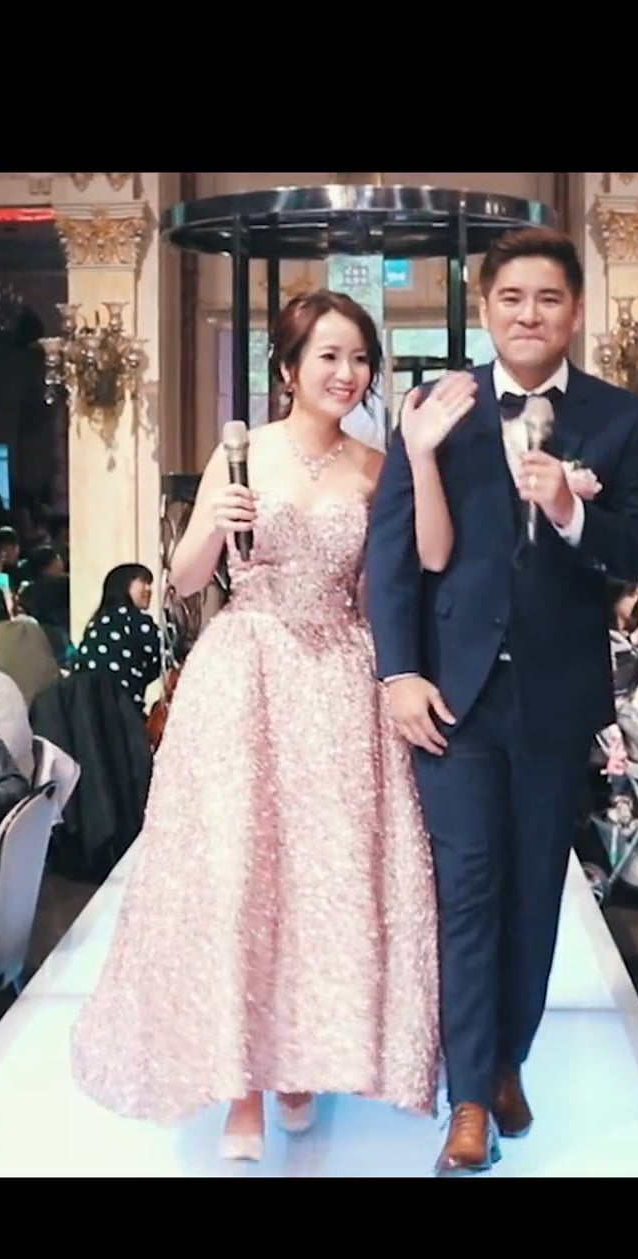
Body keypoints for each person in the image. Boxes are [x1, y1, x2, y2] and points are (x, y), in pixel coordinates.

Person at [70, 290, 443, 1163]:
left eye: (360, 358)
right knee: (240, 874)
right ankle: (240, 1085)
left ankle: (300, 1061)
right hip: (246, 675)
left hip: (339, 681)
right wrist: (213, 524)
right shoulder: (242, 454)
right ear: (288, 368)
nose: (347, 373)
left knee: (321, 881)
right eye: (329, 356)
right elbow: (183, 577)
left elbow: (388, 588)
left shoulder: (375, 466)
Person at [366, 228, 638, 1175]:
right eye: (511, 298)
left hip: (555, 695)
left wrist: (573, 511)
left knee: (536, 891)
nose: (528, 314)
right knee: (466, 892)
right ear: (487, 307)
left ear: (575, 312)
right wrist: (397, 673)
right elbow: (392, 557)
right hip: (452, 699)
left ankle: (507, 1061)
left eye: (547, 299)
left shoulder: (621, 417)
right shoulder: (434, 407)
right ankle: (465, 1099)